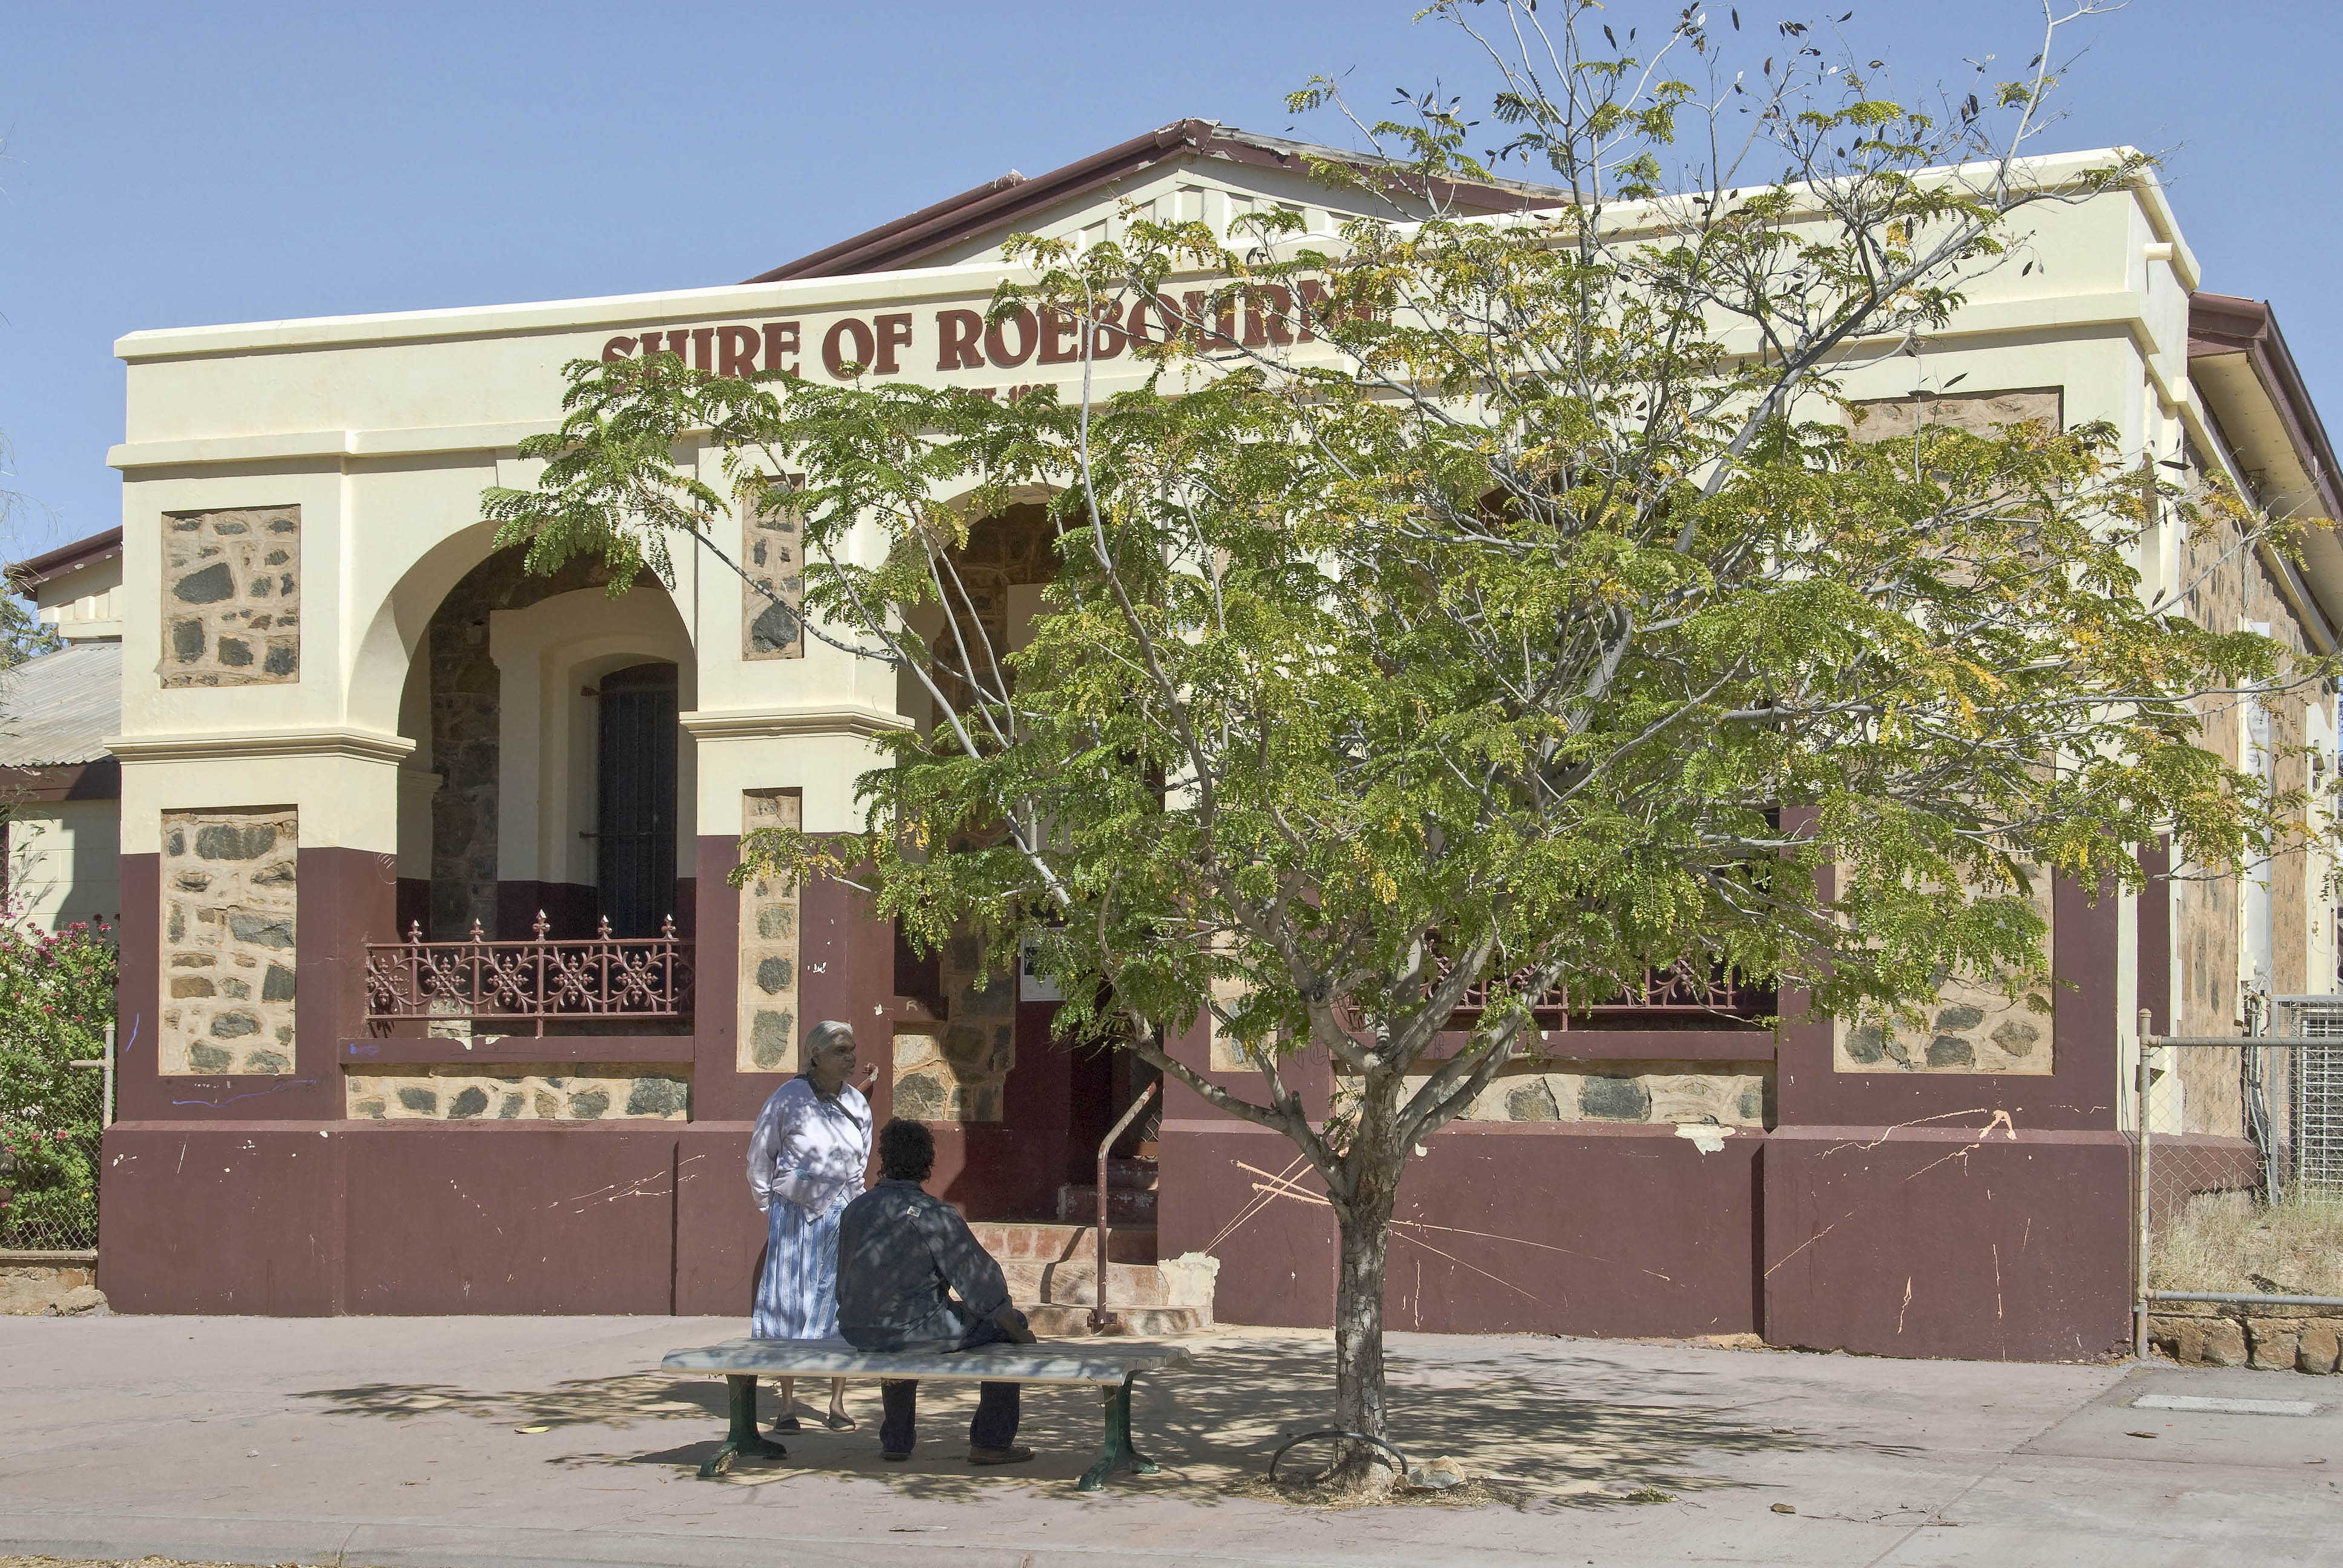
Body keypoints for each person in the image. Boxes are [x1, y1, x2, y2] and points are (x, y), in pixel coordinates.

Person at [836, 1117, 1039, 1465]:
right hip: (915, 1330)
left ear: (884, 1159)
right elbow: (982, 1286)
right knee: (1006, 1326)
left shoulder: (856, 1209)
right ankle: (991, 1442)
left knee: (901, 1326)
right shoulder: (933, 1214)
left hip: (859, 1328)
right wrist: (1017, 1329)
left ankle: (897, 1441)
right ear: (927, 1164)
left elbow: (845, 1279)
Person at [747, 1019, 876, 1435]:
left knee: (838, 1303)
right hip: (793, 1216)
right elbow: (761, 1155)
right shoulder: (788, 1098)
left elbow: (860, 1167)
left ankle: (837, 1402)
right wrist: (770, 1205)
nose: (850, 1057)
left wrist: (857, 1211)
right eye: (840, 1050)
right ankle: (786, 1405)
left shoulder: (857, 1104)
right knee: (789, 1300)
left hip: (841, 1216)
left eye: (852, 1049)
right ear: (815, 1055)